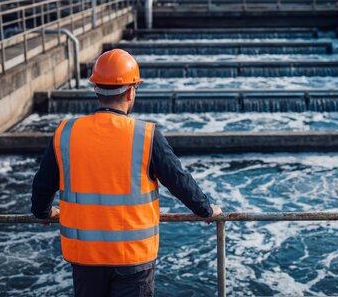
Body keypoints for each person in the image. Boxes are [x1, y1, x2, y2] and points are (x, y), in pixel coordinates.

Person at [30, 49, 222, 297]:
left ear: (96, 90)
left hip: (86, 258)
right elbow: (179, 181)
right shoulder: (146, 135)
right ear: (131, 91)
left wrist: (44, 213)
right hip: (132, 257)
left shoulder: (66, 133)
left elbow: (43, 185)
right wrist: (206, 210)